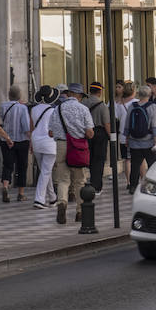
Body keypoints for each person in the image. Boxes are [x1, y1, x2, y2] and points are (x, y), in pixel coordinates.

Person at [48, 83, 95, 223]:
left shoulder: (57, 109)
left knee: (63, 179)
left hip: (61, 144)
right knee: (79, 180)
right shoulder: (83, 109)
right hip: (78, 146)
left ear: (68, 94)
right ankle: (80, 211)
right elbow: (89, 132)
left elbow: (50, 132)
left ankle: (62, 203)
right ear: (79, 95)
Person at [0, 85, 32, 203]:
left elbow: (2, 119)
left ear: (9, 95)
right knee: (22, 166)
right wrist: (31, 139)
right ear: (19, 95)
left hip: (6, 140)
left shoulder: (3, 106)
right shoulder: (22, 108)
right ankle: (21, 193)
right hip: (21, 141)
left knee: (7, 165)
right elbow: (26, 127)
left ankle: (5, 186)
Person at [126, 85, 156, 194]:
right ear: (149, 95)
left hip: (134, 141)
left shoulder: (132, 106)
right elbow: (155, 124)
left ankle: (133, 186)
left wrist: (127, 137)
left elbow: (127, 123)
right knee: (152, 164)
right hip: (148, 141)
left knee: (135, 165)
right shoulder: (152, 106)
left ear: (139, 94)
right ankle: (152, 185)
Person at [30, 85, 60, 208]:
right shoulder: (53, 111)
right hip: (49, 143)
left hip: (36, 141)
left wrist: (30, 144)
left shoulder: (33, 110)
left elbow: (31, 128)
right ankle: (39, 199)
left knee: (44, 171)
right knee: (46, 172)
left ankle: (52, 198)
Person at [82, 82, 111, 194]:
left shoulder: (83, 103)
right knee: (99, 160)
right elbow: (107, 123)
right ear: (99, 92)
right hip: (100, 134)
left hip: (87, 133)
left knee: (89, 159)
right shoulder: (102, 105)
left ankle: (87, 181)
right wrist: (111, 136)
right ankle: (96, 186)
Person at [116, 82, 137, 188]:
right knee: (138, 159)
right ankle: (138, 181)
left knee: (127, 160)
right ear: (133, 91)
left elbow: (117, 118)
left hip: (123, 135)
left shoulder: (119, 105)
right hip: (136, 135)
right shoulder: (137, 103)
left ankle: (128, 182)